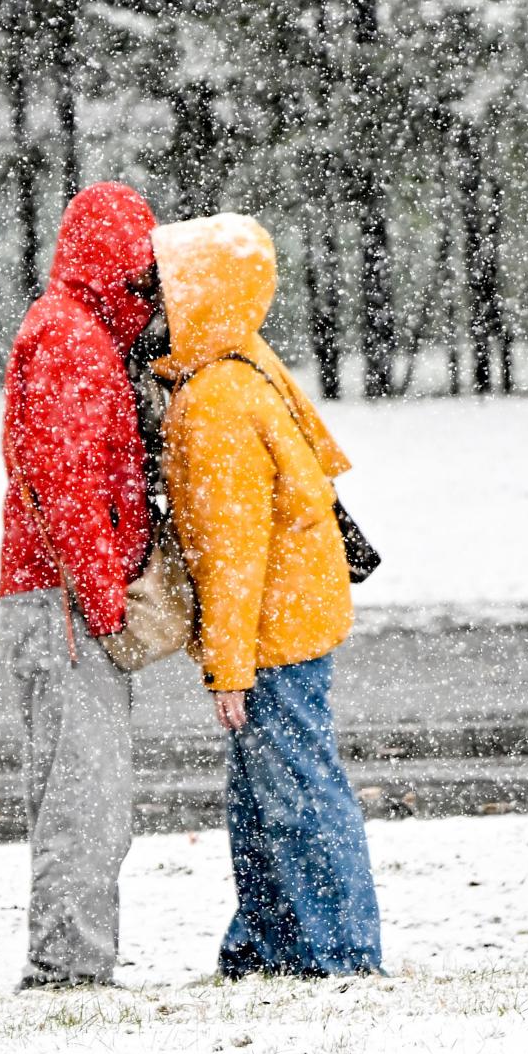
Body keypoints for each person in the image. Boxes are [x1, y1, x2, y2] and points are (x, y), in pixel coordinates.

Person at [149, 212, 383, 978]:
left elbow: (233, 553)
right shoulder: (240, 362)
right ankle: (267, 949)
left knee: (295, 799)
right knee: (262, 801)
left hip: (272, 630)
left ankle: (338, 956)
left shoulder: (215, 401)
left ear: (202, 297)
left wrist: (230, 669)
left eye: (169, 285)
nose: (156, 298)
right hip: (290, 617)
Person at [0, 181, 159, 990]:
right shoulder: (69, 341)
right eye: (141, 264)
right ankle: (68, 967)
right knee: (84, 795)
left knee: (83, 789)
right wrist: (105, 599)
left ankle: (73, 959)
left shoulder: (81, 333)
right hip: (64, 603)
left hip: (59, 597)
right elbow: (65, 487)